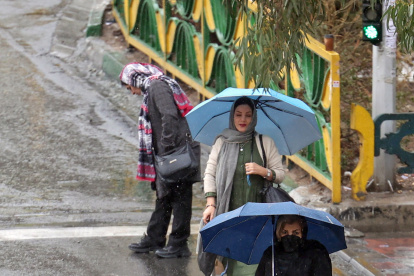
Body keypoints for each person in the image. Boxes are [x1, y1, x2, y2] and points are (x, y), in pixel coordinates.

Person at [119, 62, 200, 258]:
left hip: (175, 153)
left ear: (134, 79)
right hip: (169, 152)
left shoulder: (157, 86)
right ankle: (155, 238)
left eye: (129, 86)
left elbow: (169, 116)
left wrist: (167, 146)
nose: (131, 92)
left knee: (180, 199)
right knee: (164, 197)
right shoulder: (153, 87)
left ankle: (179, 244)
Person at [201, 96, 285, 275]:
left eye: (248, 115)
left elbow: (281, 175)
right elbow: (210, 173)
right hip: (226, 211)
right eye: (238, 115)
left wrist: (263, 171)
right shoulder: (222, 142)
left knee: (251, 260)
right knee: (223, 257)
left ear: (254, 117)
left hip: (256, 214)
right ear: (232, 116)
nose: (243, 120)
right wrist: (210, 204)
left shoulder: (264, 142)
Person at [255, 215, 332, 276]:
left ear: (303, 233)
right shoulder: (270, 254)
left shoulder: (316, 252)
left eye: (295, 233)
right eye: (285, 232)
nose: (290, 236)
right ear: (278, 233)